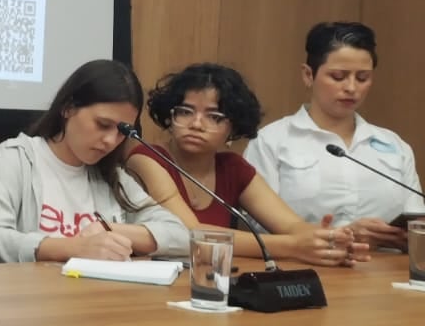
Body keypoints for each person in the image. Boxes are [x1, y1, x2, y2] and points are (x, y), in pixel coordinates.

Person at [125, 63, 360, 267]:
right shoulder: (147, 158)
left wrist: (329, 241)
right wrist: (294, 247)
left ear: (233, 127)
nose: (196, 124)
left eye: (214, 117)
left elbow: (291, 225)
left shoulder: (233, 167)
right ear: (169, 117)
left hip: (216, 281)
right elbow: (193, 235)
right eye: (185, 112)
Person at [0, 59, 188, 263]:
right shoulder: (16, 157)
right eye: (103, 124)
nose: (111, 141)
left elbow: (181, 236)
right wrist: (74, 248)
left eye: (122, 132)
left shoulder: (111, 176)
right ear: (68, 108)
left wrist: (111, 230)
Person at [245, 22, 425, 250]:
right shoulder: (271, 142)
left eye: (362, 78)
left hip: (389, 275)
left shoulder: (395, 145)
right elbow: (255, 228)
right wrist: (344, 236)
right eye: (338, 76)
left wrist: (407, 237)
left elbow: (417, 223)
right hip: (306, 273)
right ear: (308, 75)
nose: (351, 88)